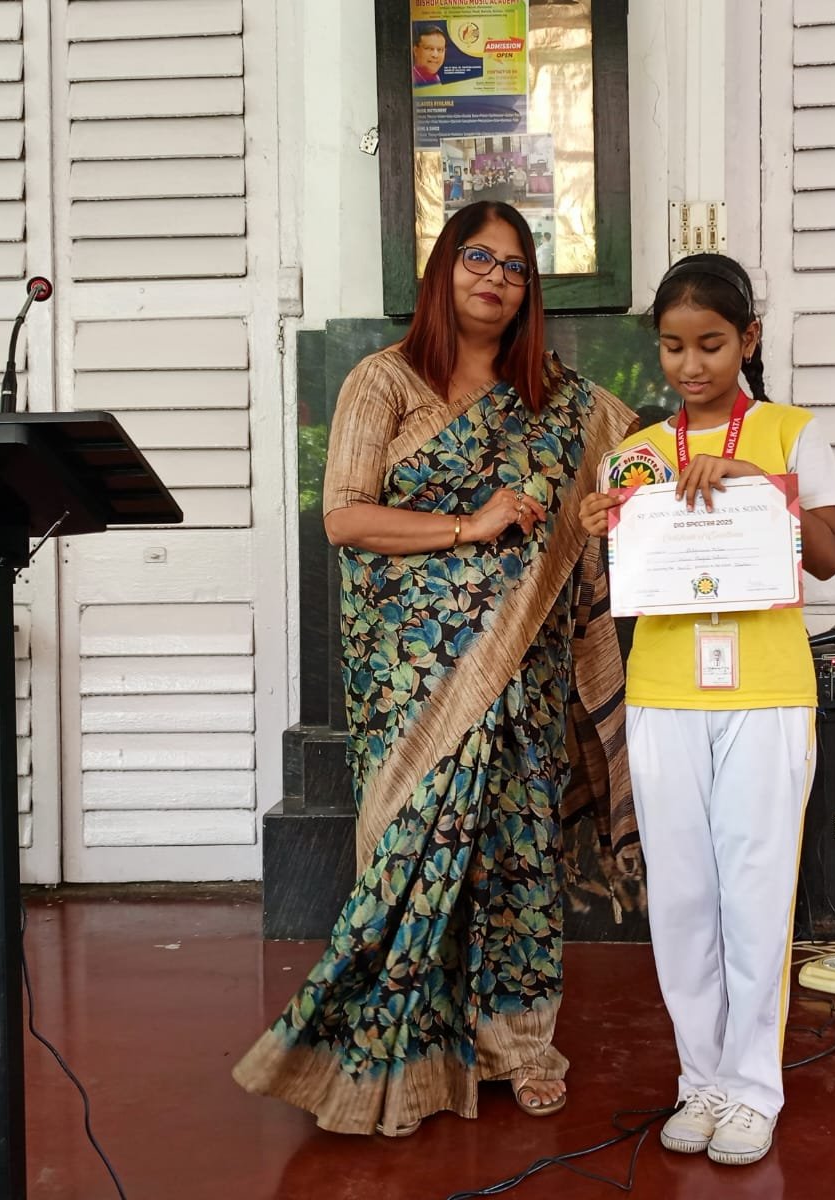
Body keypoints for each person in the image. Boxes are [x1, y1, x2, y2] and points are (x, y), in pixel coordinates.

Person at [234, 201, 639, 1136]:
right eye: (476, 258)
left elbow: (632, 473)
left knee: (516, 856)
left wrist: (619, 510)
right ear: (442, 270)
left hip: (523, 674)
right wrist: (471, 525)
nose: (495, 278)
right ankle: (401, 1053)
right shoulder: (384, 381)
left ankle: (520, 1046)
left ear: (530, 289)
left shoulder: (564, 403)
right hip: (411, 681)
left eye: (514, 266)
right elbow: (345, 517)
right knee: (410, 855)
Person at [580, 253, 835, 1166]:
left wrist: (752, 483)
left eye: (710, 344)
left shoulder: (789, 431)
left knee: (755, 889)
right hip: (663, 691)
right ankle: (699, 1080)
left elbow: (827, 559)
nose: (689, 365)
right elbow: (625, 573)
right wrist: (596, 523)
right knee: (684, 895)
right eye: (672, 347)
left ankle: (751, 1090)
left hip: (767, 691)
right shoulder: (637, 452)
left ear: (748, 340)